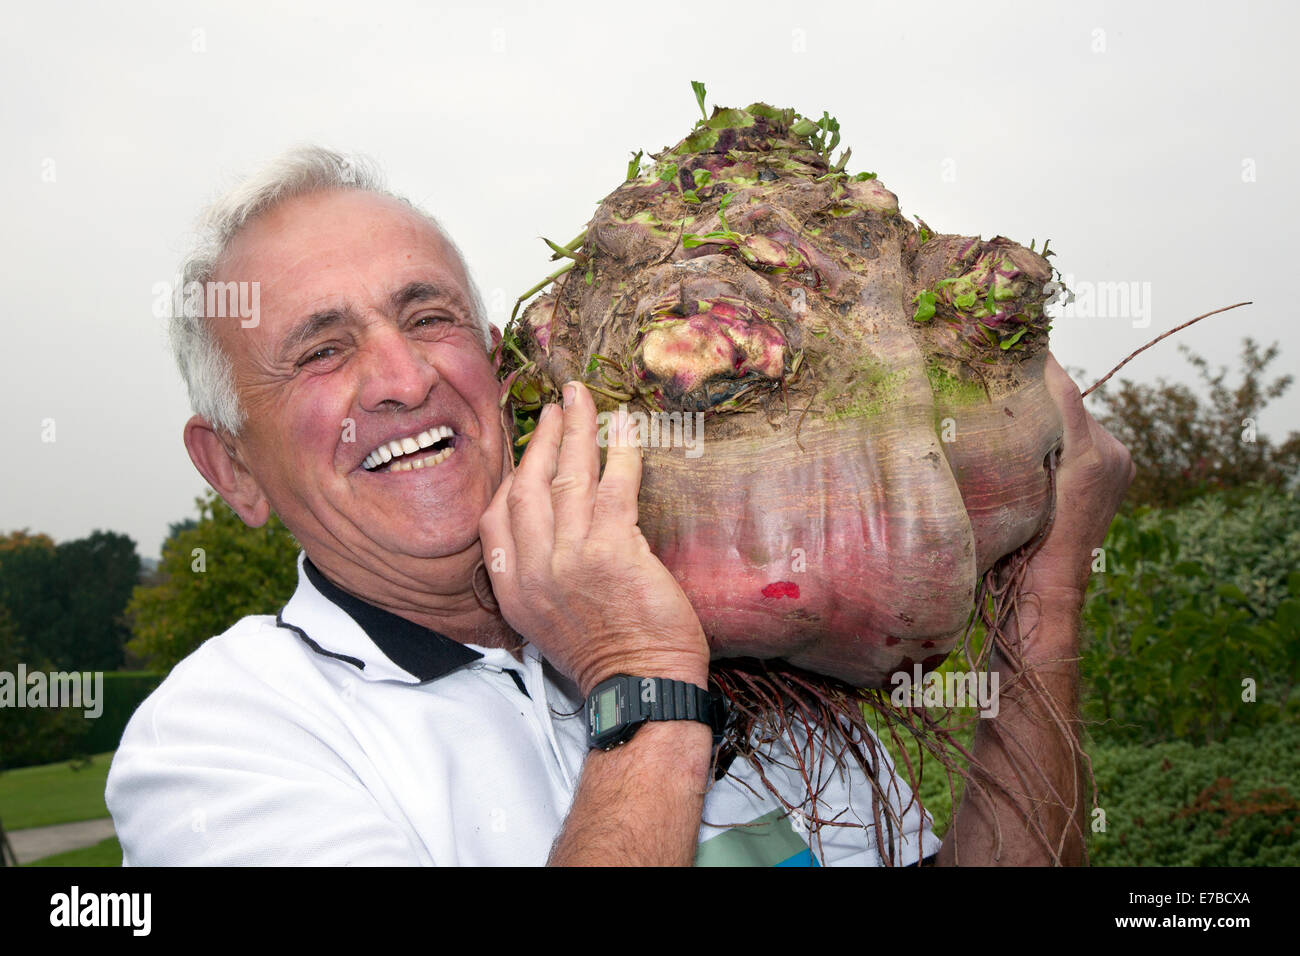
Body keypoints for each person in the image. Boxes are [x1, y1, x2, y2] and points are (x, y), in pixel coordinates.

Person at [105, 147, 1134, 866]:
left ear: (503, 359)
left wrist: (1047, 583)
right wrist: (643, 682)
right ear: (232, 467)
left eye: (429, 314)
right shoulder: (221, 741)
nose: (403, 377)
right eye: (322, 348)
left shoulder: (729, 622)